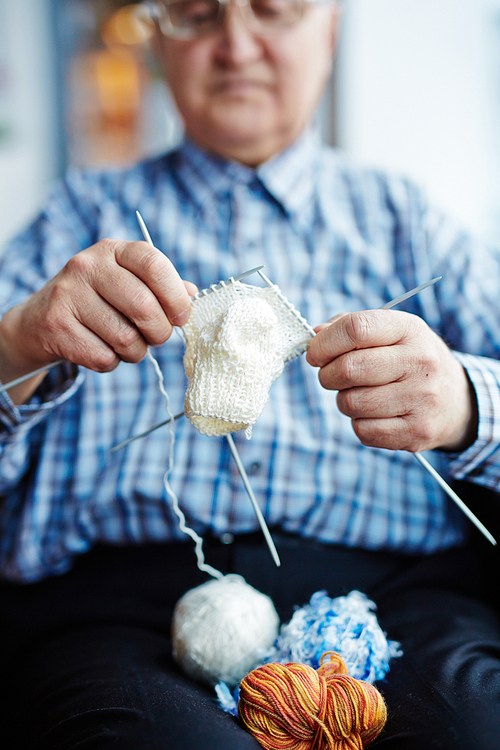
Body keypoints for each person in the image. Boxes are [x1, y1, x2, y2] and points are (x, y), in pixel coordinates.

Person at [0, 0, 499, 747]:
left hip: (400, 602)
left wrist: (465, 401)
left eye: (273, 10)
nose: (237, 46)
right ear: (161, 44)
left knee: (474, 726)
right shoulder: (78, 217)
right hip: (125, 611)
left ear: (327, 32)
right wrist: (15, 344)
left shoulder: (408, 223)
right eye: (198, 15)